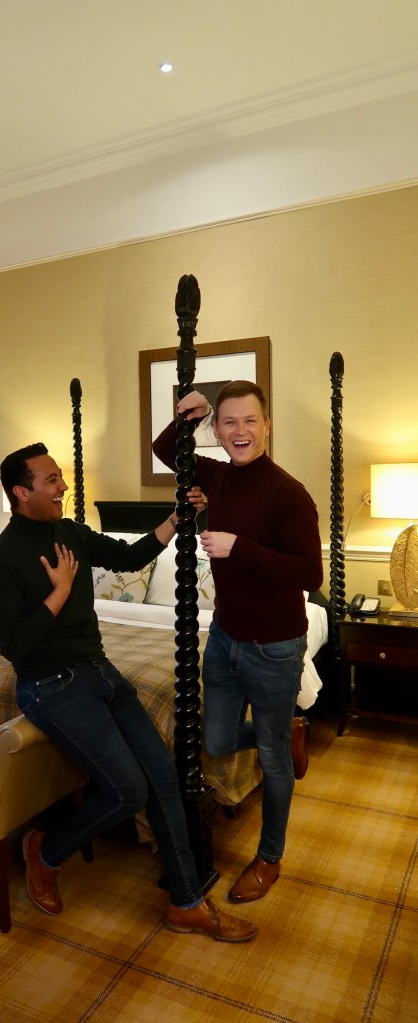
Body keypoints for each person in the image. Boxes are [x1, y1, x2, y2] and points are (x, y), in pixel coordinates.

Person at [0, 441, 257, 943]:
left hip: (100, 672)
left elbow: (129, 558)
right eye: (51, 480)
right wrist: (60, 592)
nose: (63, 486)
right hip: (50, 687)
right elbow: (15, 647)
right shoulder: (0, 561)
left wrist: (177, 518)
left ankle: (186, 903)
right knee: (128, 790)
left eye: (60, 476)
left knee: (163, 775)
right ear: (21, 492)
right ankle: (44, 852)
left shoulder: (69, 532)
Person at [153, 381, 323, 903]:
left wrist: (238, 547)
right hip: (224, 637)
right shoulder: (217, 476)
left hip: (275, 645)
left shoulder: (289, 493)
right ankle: (287, 731)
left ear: (266, 425)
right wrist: (194, 413)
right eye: (228, 422)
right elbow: (164, 449)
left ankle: (269, 858)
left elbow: (309, 573)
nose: (240, 431)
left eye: (250, 420)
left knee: (272, 761)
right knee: (217, 742)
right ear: (218, 430)